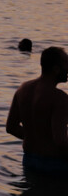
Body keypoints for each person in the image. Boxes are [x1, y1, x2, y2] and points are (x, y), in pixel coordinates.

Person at [6, 46, 68, 174]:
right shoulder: (59, 98)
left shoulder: (22, 89)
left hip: (28, 160)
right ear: (56, 69)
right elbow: (60, 141)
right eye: (66, 65)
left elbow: (11, 127)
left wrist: (35, 137)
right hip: (55, 165)